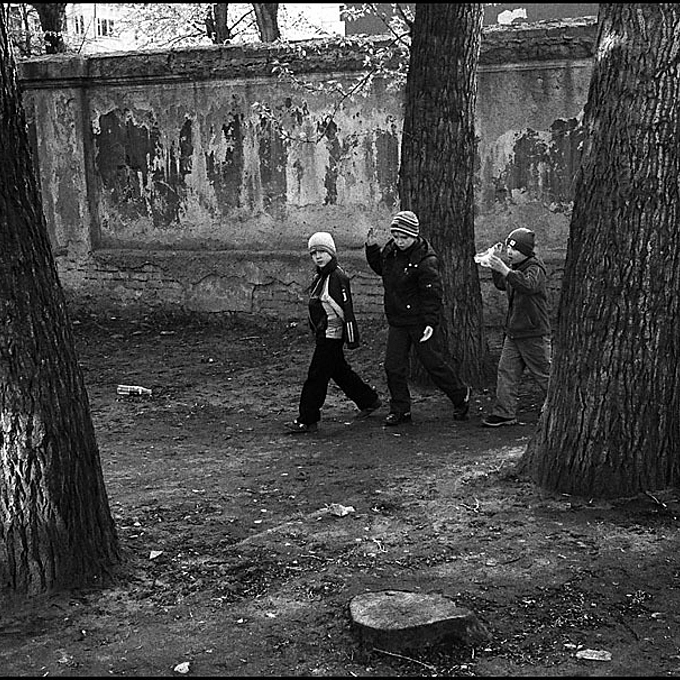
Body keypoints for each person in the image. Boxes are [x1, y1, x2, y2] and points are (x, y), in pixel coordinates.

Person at [365, 210, 471, 426]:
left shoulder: (425, 259)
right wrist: (371, 248)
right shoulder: (391, 251)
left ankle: (460, 395)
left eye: (404, 237)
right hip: (398, 320)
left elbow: (432, 293)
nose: (399, 241)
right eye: (396, 236)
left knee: (433, 364)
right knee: (393, 366)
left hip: (419, 321)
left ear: (414, 236)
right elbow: (382, 269)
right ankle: (400, 409)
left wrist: (430, 322)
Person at [285, 231, 382, 433]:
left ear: (331, 252)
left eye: (322, 251)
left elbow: (345, 310)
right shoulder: (321, 276)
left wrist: (349, 336)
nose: (318, 256)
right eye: (314, 253)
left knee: (316, 376)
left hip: (331, 335)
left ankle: (307, 418)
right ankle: (368, 400)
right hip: (324, 334)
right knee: (339, 370)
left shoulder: (336, 277)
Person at [481, 227, 551, 427]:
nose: (510, 253)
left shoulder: (535, 268)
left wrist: (505, 270)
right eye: (509, 248)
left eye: (515, 249)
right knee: (506, 372)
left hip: (533, 332)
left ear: (526, 251)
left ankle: (560, 406)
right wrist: (496, 267)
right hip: (514, 331)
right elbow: (503, 284)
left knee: (544, 373)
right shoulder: (514, 268)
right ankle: (505, 412)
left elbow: (528, 285)